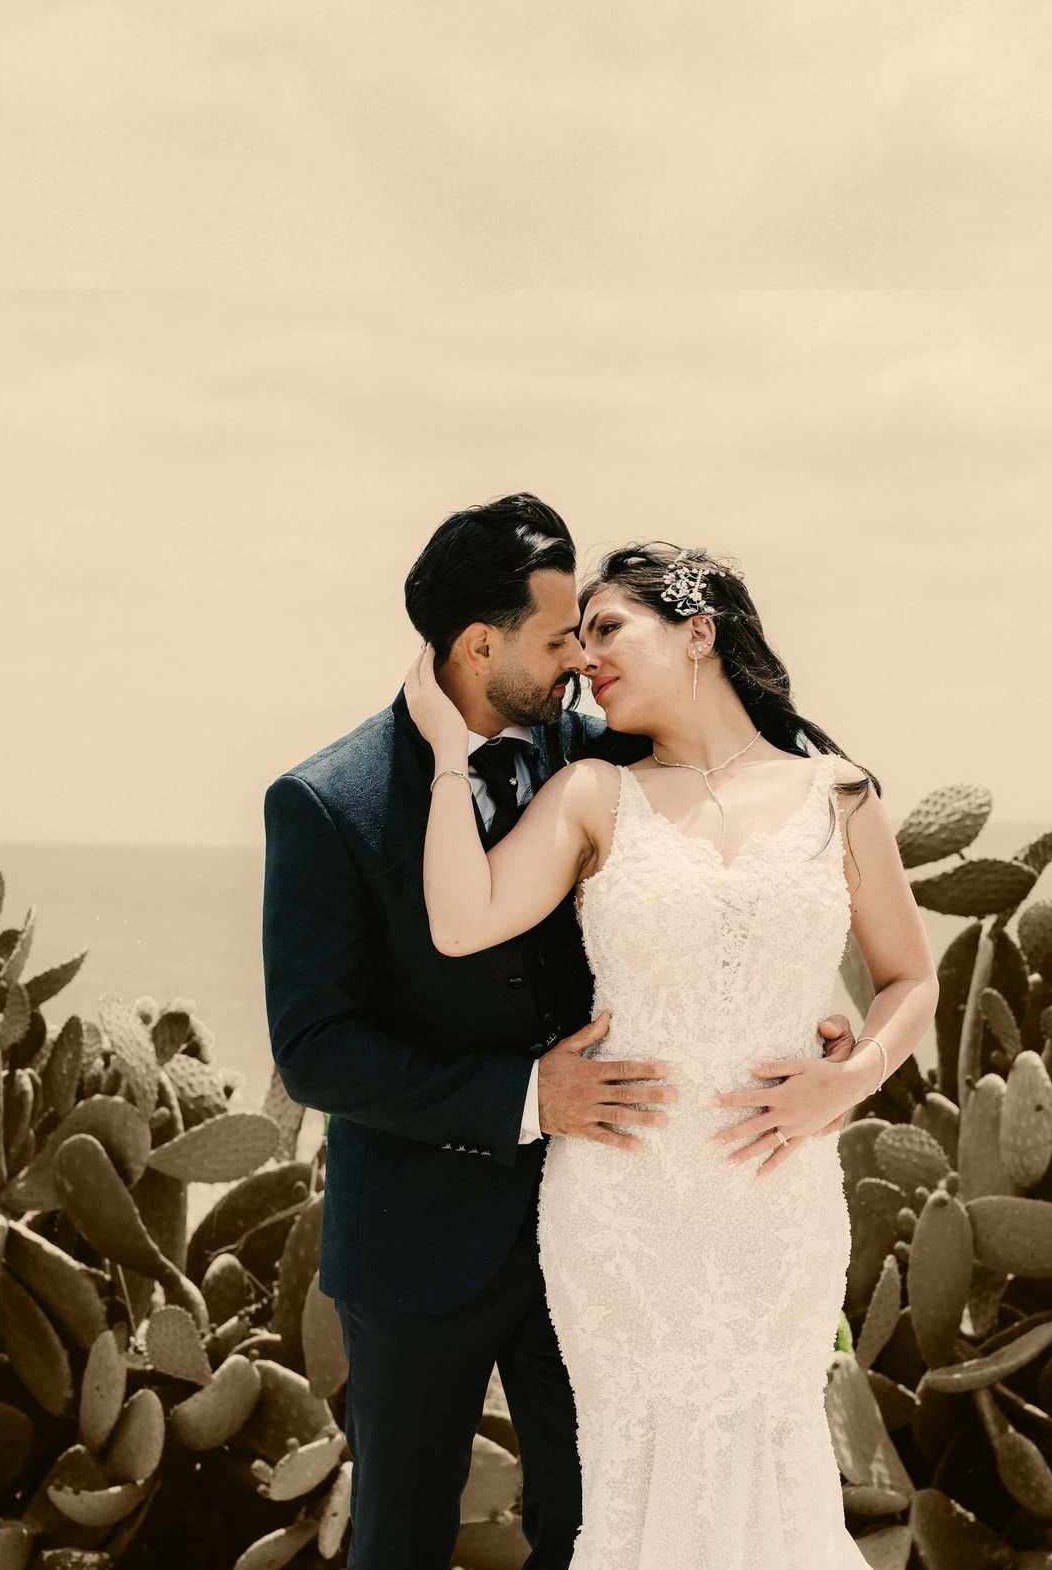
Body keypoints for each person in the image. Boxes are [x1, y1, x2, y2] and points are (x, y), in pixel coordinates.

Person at [260, 497, 861, 1570]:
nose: (583, 659)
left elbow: (741, 881)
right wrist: (527, 1098)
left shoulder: (601, 754)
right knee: (397, 1543)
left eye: (593, 633)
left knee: (595, 1533)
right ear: (481, 645)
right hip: (420, 1243)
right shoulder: (327, 802)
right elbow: (314, 1049)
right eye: (557, 638)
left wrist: (822, 1015)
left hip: (617, 1228)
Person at [404, 538, 939, 1569]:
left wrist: (846, 1080)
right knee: (639, 1484)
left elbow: (909, 980)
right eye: (578, 637)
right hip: (624, 1207)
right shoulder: (595, 797)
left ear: (698, 632)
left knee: (774, 1468)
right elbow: (460, 920)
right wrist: (445, 752)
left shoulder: (839, 796)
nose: (584, 659)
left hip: (777, 1203)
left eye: (608, 629)